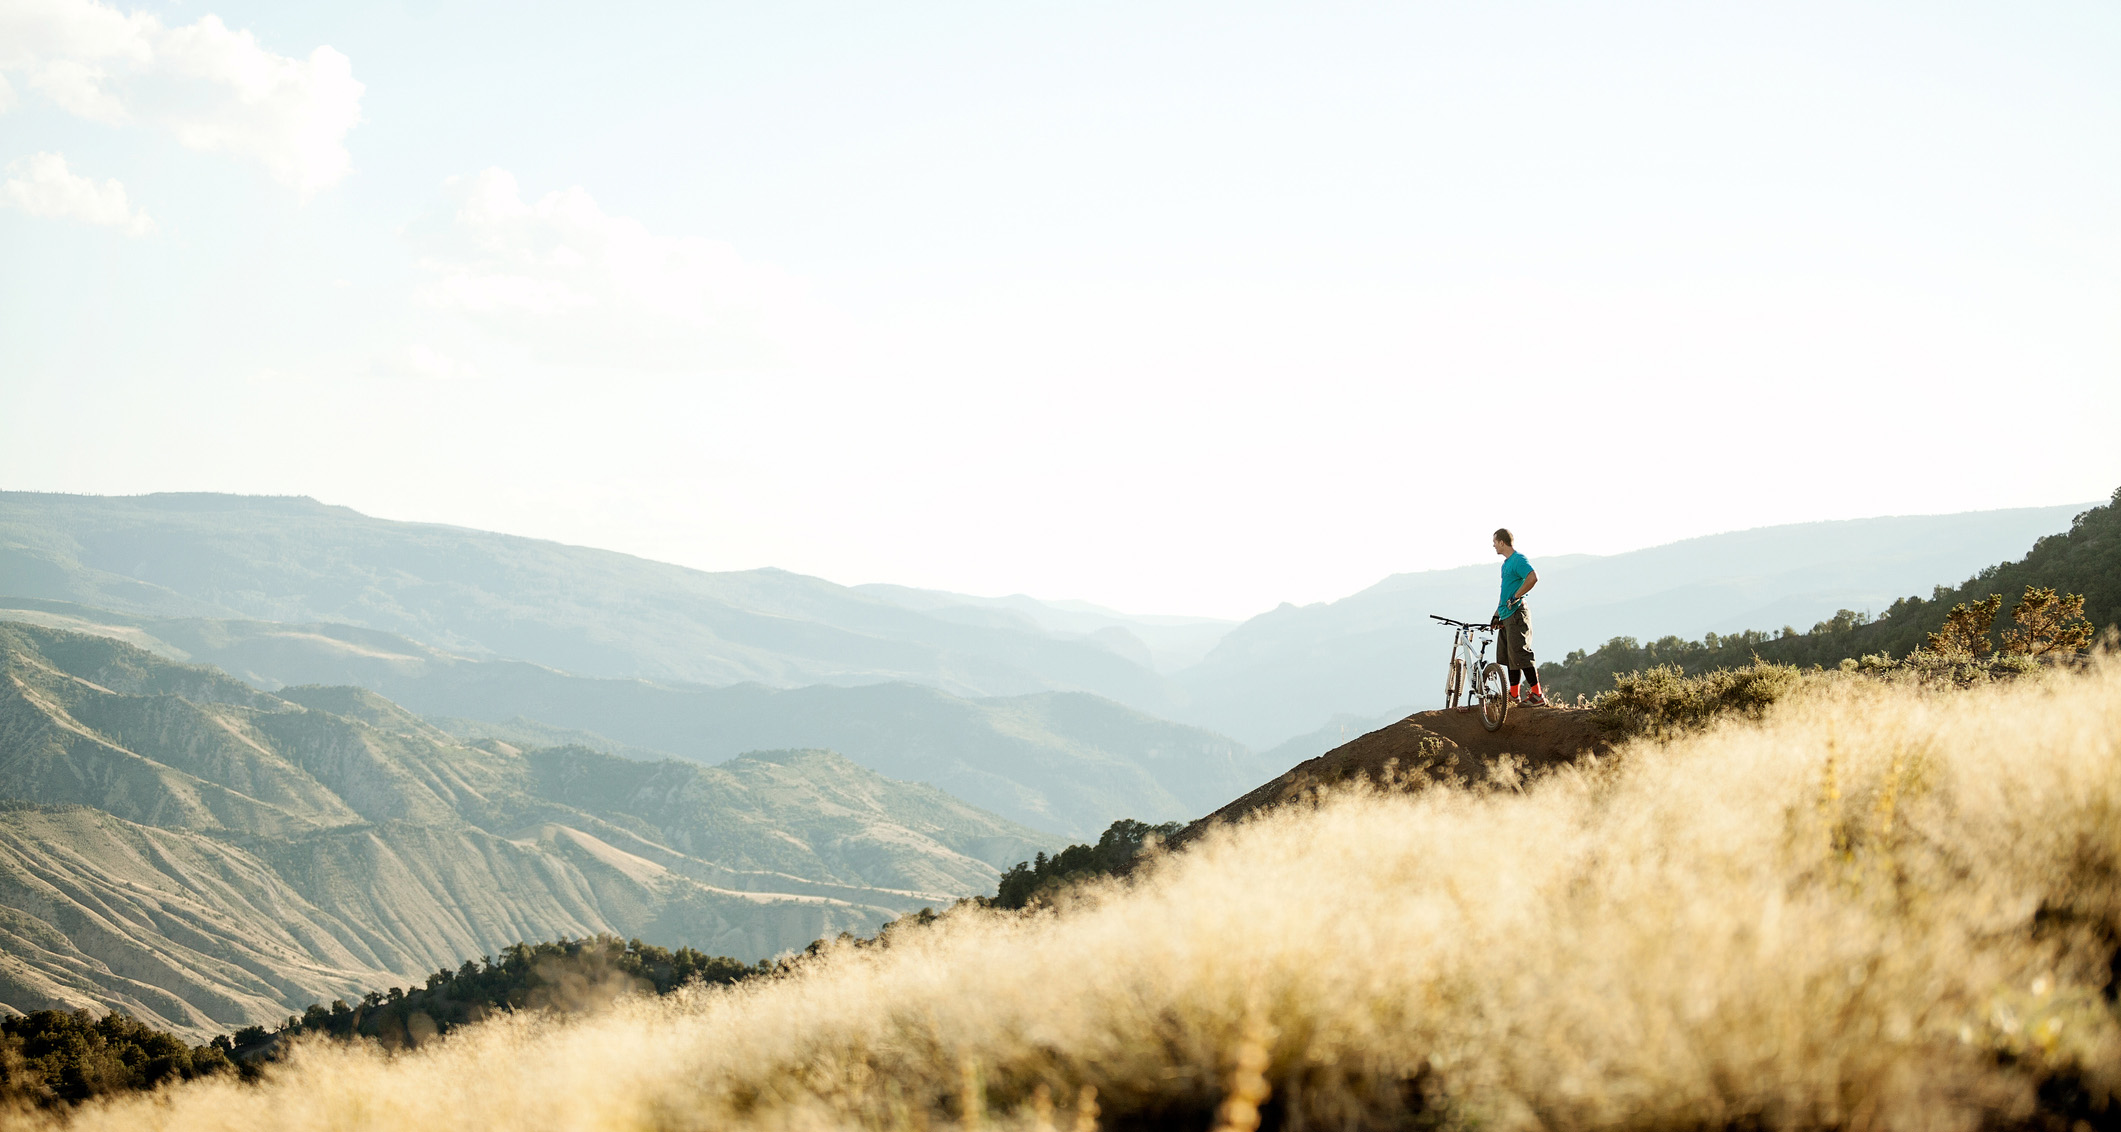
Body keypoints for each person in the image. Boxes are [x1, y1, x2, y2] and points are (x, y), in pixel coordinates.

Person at [1491, 529, 1546, 706]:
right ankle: (1513, 695)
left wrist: (1516, 597)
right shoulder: (1506, 564)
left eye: (1494, 542)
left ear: (1502, 542)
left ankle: (1537, 695)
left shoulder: (1518, 560)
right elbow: (1504, 591)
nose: (1493, 545)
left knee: (1521, 654)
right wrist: (1497, 614)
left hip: (1516, 614)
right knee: (1509, 656)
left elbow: (1533, 577)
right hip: (1506, 615)